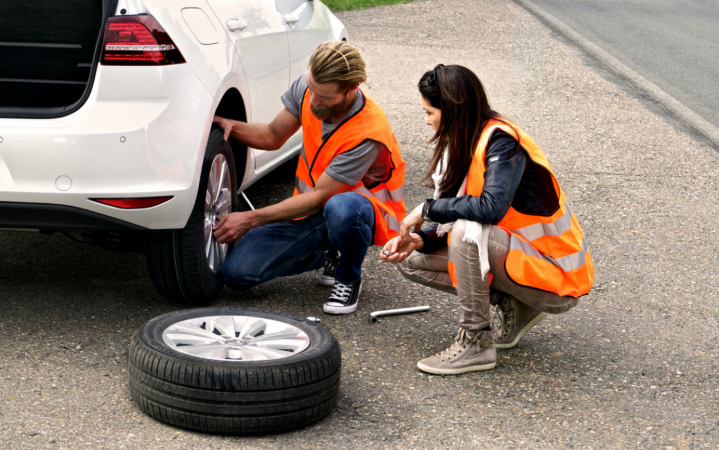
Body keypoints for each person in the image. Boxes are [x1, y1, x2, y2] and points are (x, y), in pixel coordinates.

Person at [381, 64, 593, 374]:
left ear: (453, 110)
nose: (426, 120)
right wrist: (421, 239)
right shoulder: (465, 141)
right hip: (520, 260)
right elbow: (462, 213)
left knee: (468, 231)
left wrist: (427, 209)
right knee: (412, 258)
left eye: (429, 112)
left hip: (558, 277)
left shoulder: (502, 141)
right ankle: (517, 305)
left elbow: (489, 209)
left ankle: (476, 341)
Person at [212, 41, 406, 314]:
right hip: (313, 211)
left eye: (324, 97)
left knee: (341, 209)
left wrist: (249, 219)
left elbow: (319, 198)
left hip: (362, 212)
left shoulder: (368, 133)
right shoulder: (309, 87)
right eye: (311, 88)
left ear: (351, 89)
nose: (312, 100)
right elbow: (271, 135)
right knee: (237, 274)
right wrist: (229, 126)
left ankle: (348, 276)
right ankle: (326, 250)